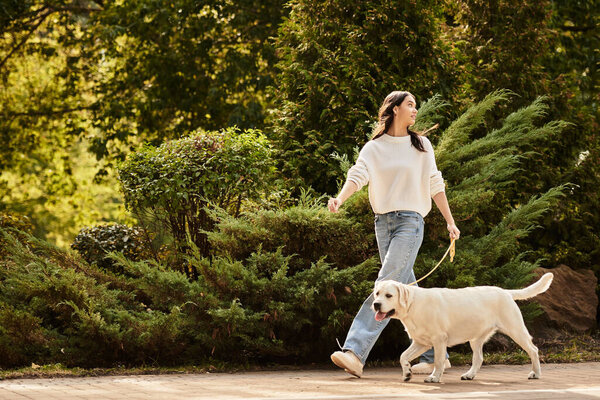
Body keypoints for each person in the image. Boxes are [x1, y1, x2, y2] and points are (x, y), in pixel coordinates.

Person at [328, 90, 460, 378]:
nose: (415, 110)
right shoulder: (374, 148)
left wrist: (450, 221)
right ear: (395, 109)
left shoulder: (422, 145)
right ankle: (436, 354)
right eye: (410, 105)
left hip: (410, 222)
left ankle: (354, 352)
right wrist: (340, 199)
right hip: (383, 223)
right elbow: (357, 175)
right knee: (407, 289)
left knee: (386, 284)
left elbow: (435, 183)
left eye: (415, 106)